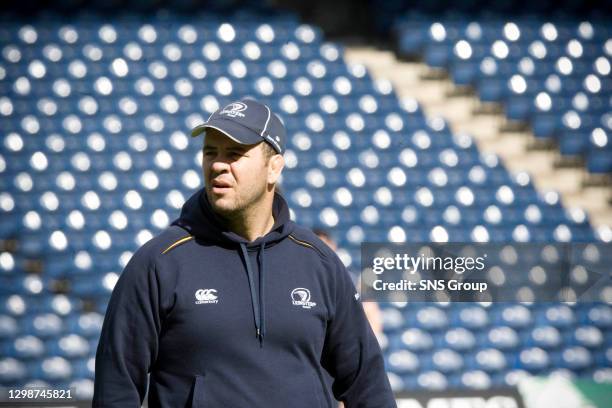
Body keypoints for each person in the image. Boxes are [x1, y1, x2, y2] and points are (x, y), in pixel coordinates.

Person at [93, 99, 396, 408]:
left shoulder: (318, 261)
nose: (218, 165)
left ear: (274, 167)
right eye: (210, 152)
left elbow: (367, 386)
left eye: (235, 153)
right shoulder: (159, 263)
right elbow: (115, 390)